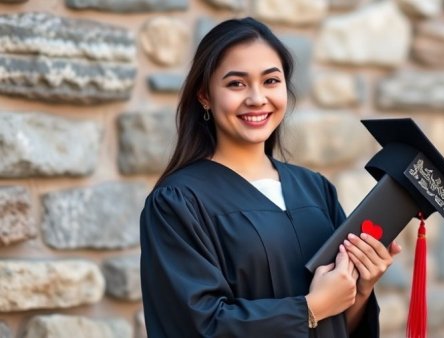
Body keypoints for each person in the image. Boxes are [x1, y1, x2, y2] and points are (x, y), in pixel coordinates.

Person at [139, 17, 401, 338]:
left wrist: (359, 291)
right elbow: (194, 326)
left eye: (271, 81)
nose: (257, 98)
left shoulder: (315, 189)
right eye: (236, 83)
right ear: (205, 95)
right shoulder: (178, 202)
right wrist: (310, 308)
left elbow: (338, 326)